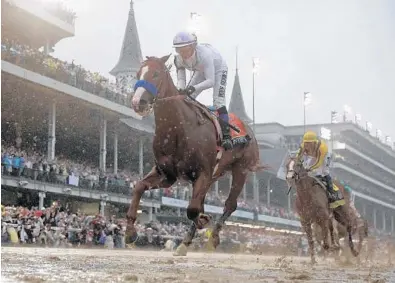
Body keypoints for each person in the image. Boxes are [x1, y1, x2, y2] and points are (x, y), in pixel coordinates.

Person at [172, 31, 233, 150]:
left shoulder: (205, 55)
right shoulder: (178, 59)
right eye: (179, 50)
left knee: (218, 102)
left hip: (218, 70)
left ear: (193, 46)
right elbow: (181, 78)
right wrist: (181, 88)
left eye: (185, 49)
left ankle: (227, 136)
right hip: (200, 69)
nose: (183, 53)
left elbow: (211, 81)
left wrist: (193, 88)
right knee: (186, 99)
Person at [296, 131, 345, 208]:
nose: (307, 145)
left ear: (314, 143)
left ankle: (332, 193)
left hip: (324, 157)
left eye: (309, 143)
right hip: (313, 157)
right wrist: (297, 164)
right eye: (306, 143)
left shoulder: (322, 147)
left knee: (324, 171)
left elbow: (319, 162)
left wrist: (309, 169)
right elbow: (297, 157)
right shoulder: (303, 146)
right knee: (307, 166)